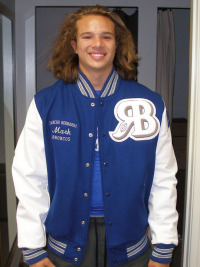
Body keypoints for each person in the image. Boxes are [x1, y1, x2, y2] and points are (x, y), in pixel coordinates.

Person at [12, 5, 178, 267]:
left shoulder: (150, 104)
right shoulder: (46, 104)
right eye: (87, 36)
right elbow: (30, 177)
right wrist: (33, 249)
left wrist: (164, 246)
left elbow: (163, 179)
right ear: (74, 45)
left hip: (132, 249)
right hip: (64, 250)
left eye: (107, 36)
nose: (97, 43)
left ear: (117, 44)